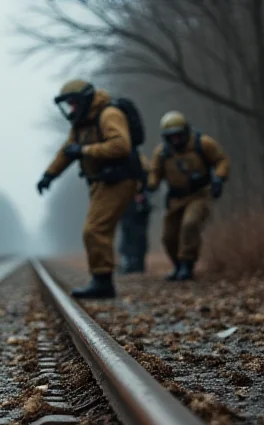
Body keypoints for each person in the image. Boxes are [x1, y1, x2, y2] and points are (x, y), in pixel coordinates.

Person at [36, 79, 140, 299]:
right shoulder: (81, 124)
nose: (71, 109)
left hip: (119, 179)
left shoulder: (109, 114)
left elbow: (121, 145)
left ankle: (103, 282)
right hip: (100, 181)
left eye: (73, 103)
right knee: (98, 229)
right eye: (68, 105)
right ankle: (102, 279)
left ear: (85, 100)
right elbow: (67, 152)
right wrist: (49, 175)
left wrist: (85, 150)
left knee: (94, 229)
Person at [147, 110, 230, 281]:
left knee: (190, 224)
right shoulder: (162, 153)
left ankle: (187, 264)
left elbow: (221, 160)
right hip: (175, 199)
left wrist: (219, 179)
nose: (176, 139)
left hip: (199, 194)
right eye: (172, 136)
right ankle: (178, 266)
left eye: (179, 135)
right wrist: (149, 186)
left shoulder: (202, 143)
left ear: (186, 131)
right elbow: (155, 173)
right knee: (168, 236)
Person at [117, 151, 152, 274]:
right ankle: (128, 262)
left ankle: (138, 264)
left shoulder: (139, 159)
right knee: (126, 231)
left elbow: (149, 179)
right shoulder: (119, 159)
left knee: (138, 234)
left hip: (139, 203)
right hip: (126, 201)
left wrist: (142, 194)